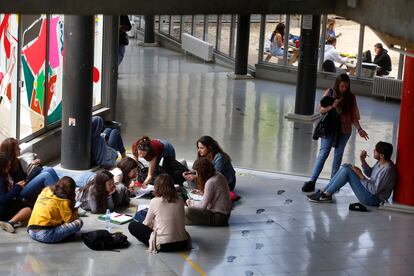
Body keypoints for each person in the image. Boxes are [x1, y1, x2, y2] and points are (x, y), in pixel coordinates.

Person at [302, 74, 369, 193]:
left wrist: (359, 129)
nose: (344, 89)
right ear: (337, 84)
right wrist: (332, 106)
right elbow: (321, 110)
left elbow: (353, 116)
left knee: (338, 156)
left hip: (345, 130)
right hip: (330, 128)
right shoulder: (330, 92)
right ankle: (312, 181)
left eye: (346, 87)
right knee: (323, 153)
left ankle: (333, 183)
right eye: (342, 86)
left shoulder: (351, 97)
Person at [307, 141, 396, 206]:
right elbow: (371, 174)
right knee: (347, 167)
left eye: (376, 150)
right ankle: (325, 191)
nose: (373, 150)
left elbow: (374, 190)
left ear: (382, 155)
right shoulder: (381, 161)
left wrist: (361, 176)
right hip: (370, 193)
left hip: (373, 199)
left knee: (347, 171)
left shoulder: (387, 170)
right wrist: (362, 160)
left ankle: (327, 195)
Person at [128, 174, 190, 253]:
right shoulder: (180, 199)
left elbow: (147, 223)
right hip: (183, 242)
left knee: (133, 225)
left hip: (164, 245)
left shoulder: (155, 201)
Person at [0, 138, 59, 203]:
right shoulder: (7, 167)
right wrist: (32, 169)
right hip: (20, 191)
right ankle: (59, 198)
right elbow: (20, 182)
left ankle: (62, 191)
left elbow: (23, 177)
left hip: (23, 185)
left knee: (48, 169)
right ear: (11, 151)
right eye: (17, 148)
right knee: (46, 175)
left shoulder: (16, 161)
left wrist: (31, 166)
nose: (20, 149)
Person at [27, 177, 83, 243]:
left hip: (31, 231)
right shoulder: (63, 200)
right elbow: (69, 220)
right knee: (79, 222)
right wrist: (75, 209)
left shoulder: (46, 190)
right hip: (45, 235)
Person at [185, 158, 232, 226]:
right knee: (184, 218)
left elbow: (202, 206)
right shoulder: (218, 175)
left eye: (197, 172)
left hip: (218, 217)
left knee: (188, 211)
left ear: (202, 172)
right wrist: (203, 193)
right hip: (224, 215)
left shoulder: (210, 182)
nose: (197, 175)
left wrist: (191, 202)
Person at [0, 152, 32, 233]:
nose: (10, 167)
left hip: (11, 201)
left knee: (31, 207)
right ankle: (10, 222)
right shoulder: (1, 180)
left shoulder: (6, 174)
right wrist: (17, 187)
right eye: (7, 166)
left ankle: (12, 220)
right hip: (3, 209)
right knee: (29, 209)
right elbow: (3, 199)